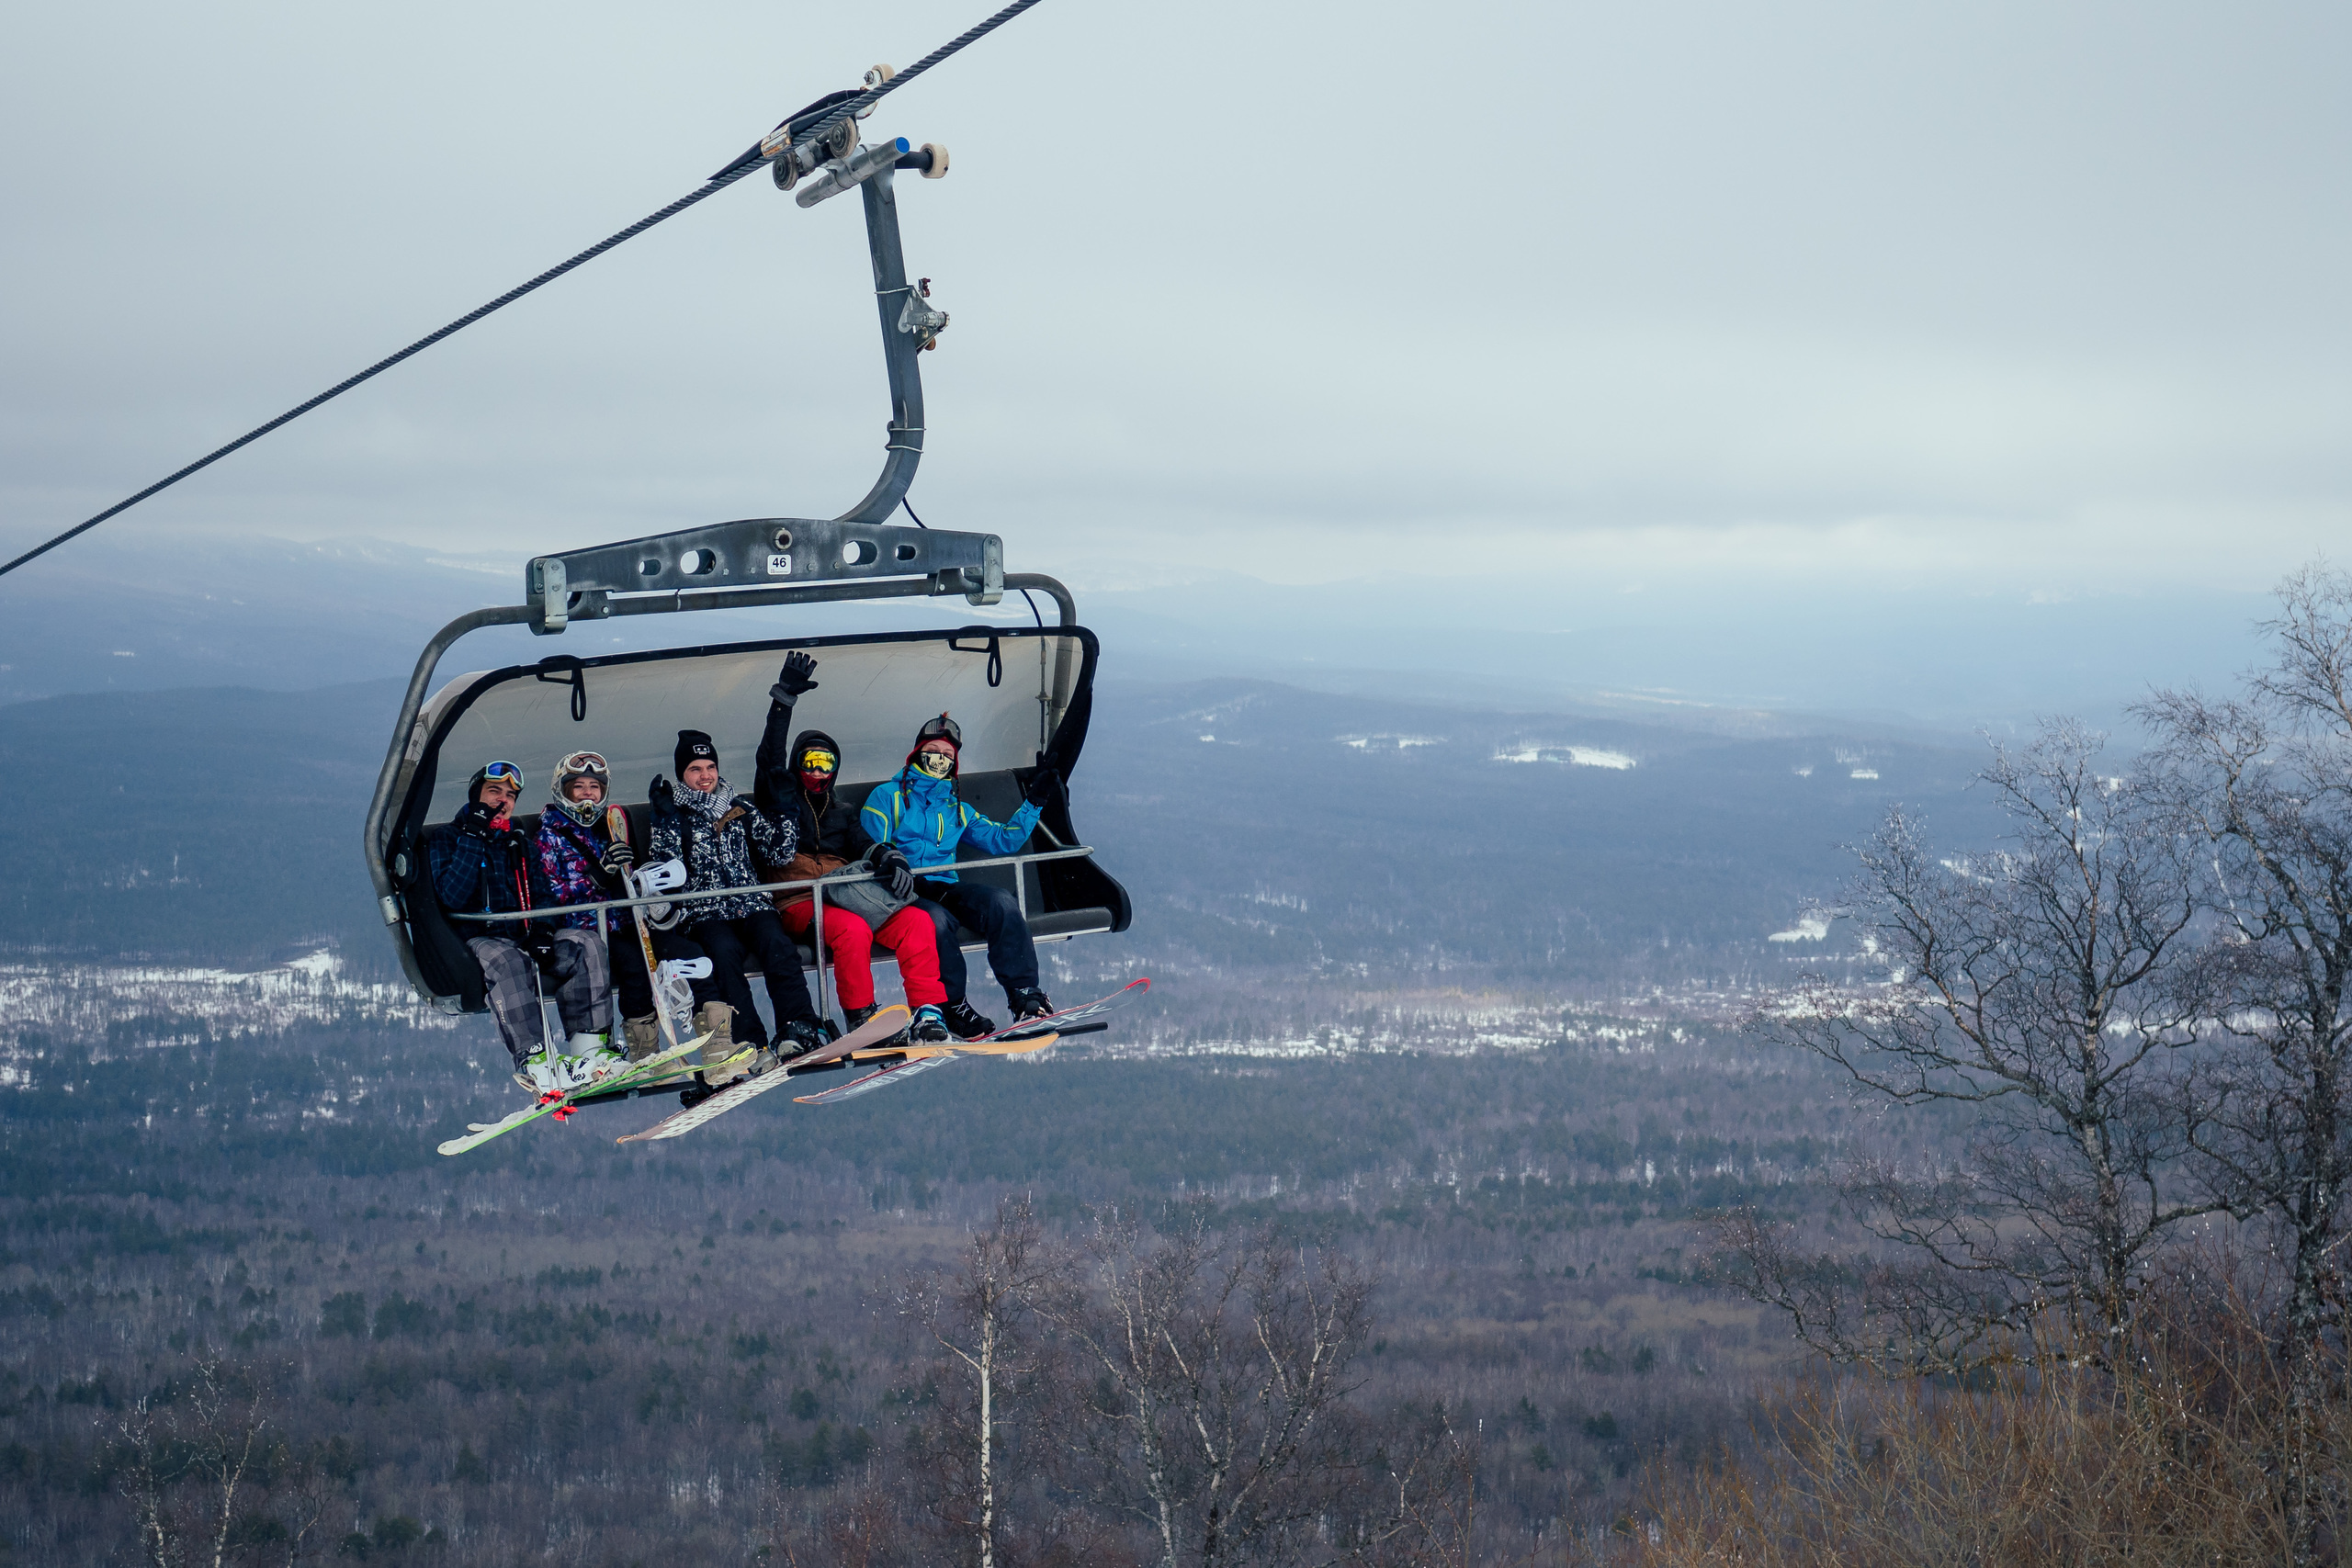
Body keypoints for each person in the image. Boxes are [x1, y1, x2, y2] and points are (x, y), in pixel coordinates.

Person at [751, 655, 953, 1045]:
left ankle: (928, 1010)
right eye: (810, 762)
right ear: (797, 765)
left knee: (917, 922)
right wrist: (783, 701)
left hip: (844, 893)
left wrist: (887, 855)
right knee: (851, 930)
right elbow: (769, 761)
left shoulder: (842, 812)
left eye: (827, 763)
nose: (818, 772)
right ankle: (861, 1017)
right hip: (796, 898)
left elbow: (864, 842)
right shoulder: (780, 800)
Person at [860, 713, 1062, 1037]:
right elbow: (871, 848)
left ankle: (1024, 994)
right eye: (934, 752)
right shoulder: (888, 798)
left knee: (1001, 903)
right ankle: (952, 1006)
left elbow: (1003, 839)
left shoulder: (955, 808)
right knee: (936, 921)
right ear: (918, 754)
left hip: (943, 885)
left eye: (948, 756)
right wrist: (892, 866)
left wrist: (1035, 801)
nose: (940, 760)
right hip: (901, 890)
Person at [425, 759, 618, 1093]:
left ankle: (590, 1051)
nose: (502, 801)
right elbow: (452, 896)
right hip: (480, 938)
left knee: (586, 944)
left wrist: (543, 931)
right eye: (493, 792)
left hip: (524, 934)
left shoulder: (518, 842)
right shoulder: (448, 838)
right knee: (509, 963)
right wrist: (473, 835)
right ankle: (535, 1059)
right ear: (476, 796)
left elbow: (543, 895)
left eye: (510, 796)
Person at [648, 727, 830, 1077]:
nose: (705, 776)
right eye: (695, 770)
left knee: (777, 945)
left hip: (751, 904)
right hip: (705, 911)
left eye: (709, 768)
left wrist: (784, 809)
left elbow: (779, 853)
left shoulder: (739, 806)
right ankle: (750, 1043)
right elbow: (666, 874)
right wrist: (664, 821)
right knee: (723, 954)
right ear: (682, 775)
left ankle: (799, 1026)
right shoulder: (679, 815)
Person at [532, 750, 709, 1066]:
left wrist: (638, 884)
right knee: (634, 964)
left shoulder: (607, 829)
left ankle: (716, 1038)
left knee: (688, 949)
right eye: (580, 786)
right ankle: (645, 1050)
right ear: (564, 790)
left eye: (594, 787)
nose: (588, 793)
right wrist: (598, 876)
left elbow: (624, 880)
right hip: (581, 931)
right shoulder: (549, 836)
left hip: (620, 922)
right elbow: (553, 894)